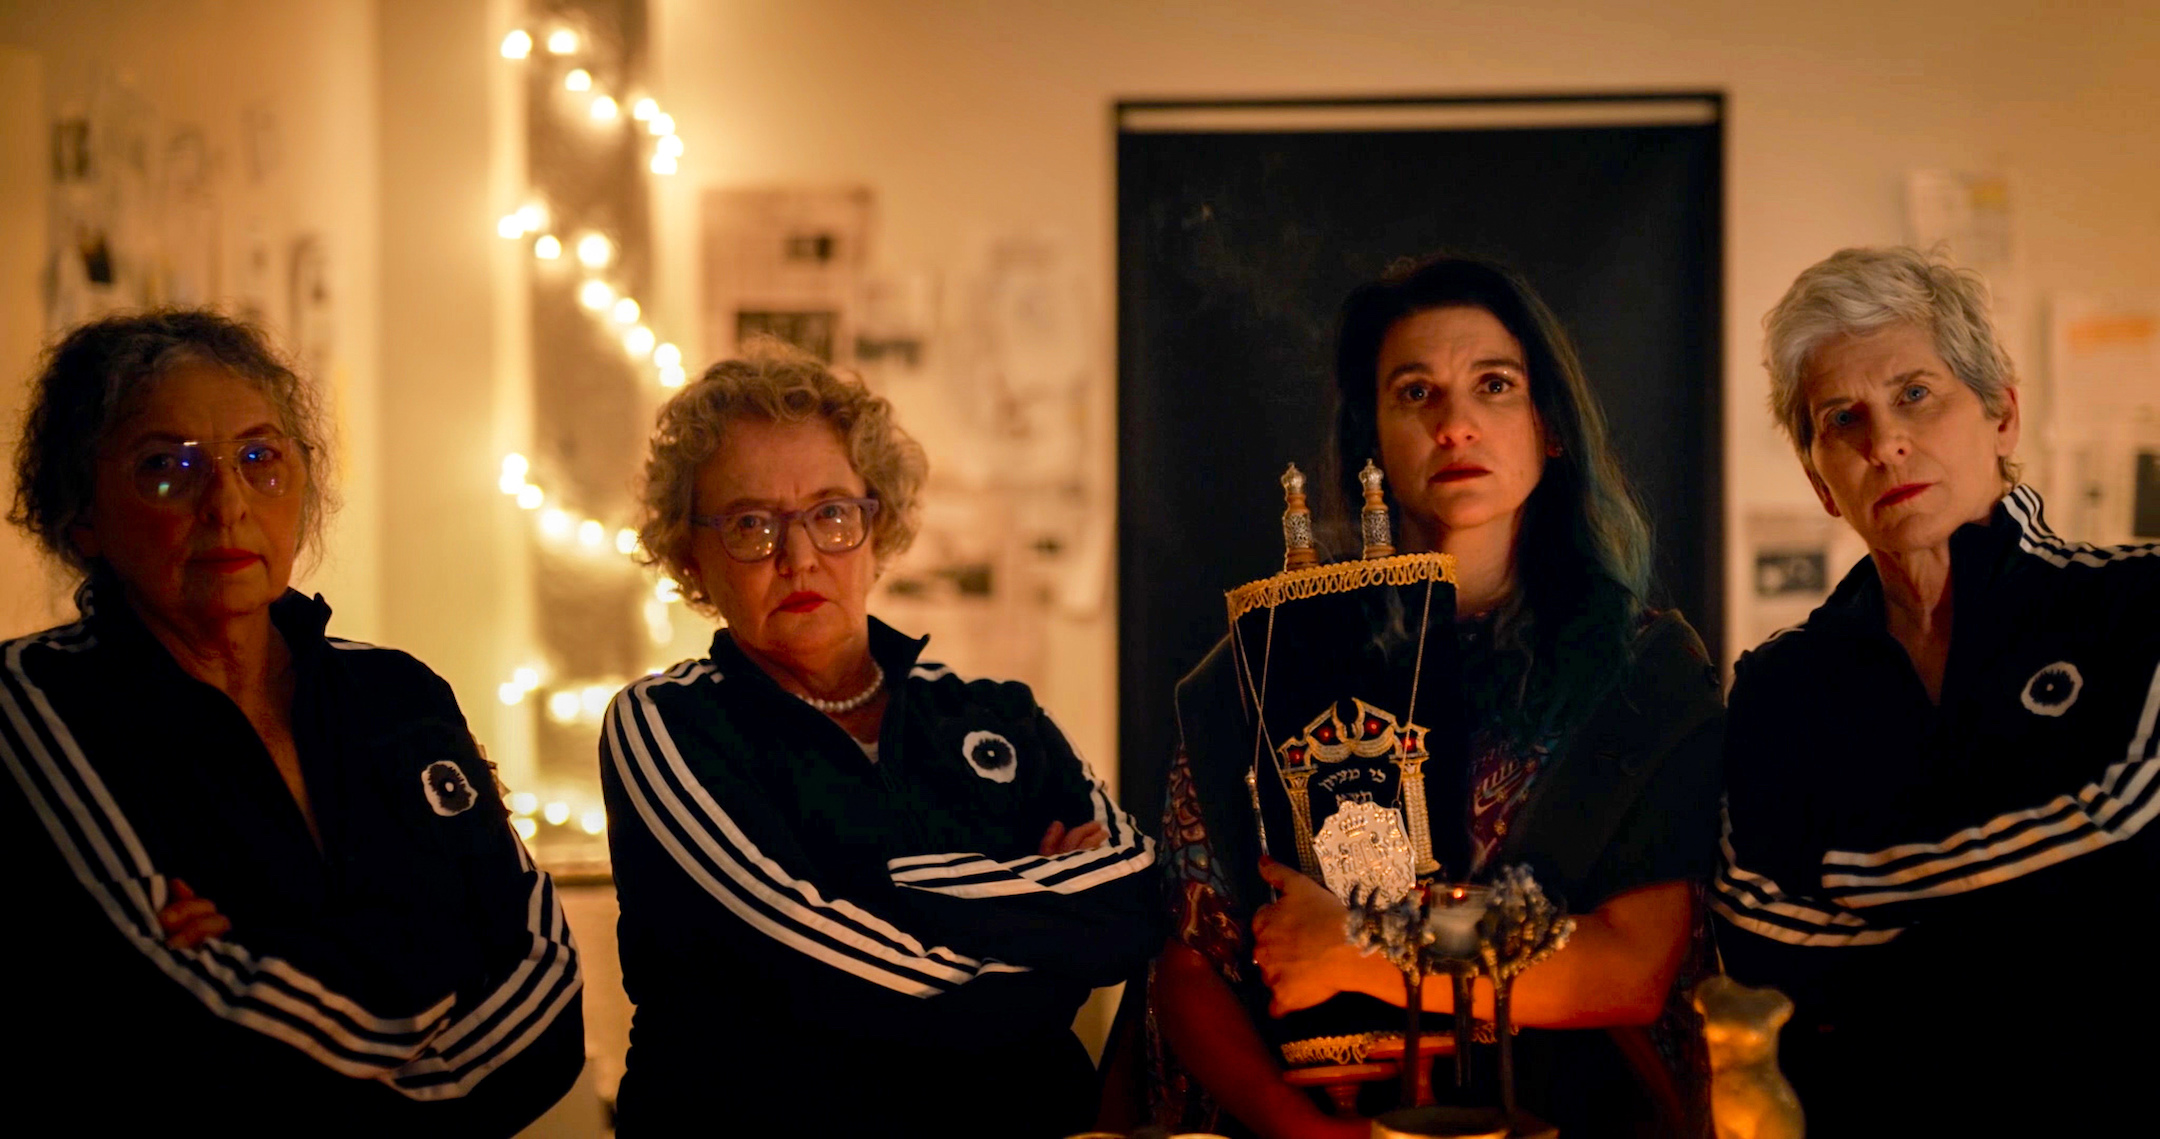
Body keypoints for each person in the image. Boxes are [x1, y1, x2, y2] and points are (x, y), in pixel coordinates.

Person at [1151, 256, 1725, 1138]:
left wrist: (1366, 947)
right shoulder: (1270, 656)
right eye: (1415, 393)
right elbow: (1190, 968)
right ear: (1372, 438)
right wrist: (1304, 1133)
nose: (1456, 424)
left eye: (1493, 385)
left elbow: (1630, 967)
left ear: (1550, 425)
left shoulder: (1643, 672)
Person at [0, 310, 584, 1135]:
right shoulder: (37, 704)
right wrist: (425, 941)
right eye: (167, 467)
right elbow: (188, 1032)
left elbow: (546, 987)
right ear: (81, 509)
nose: (228, 503)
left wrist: (269, 944)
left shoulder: (397, 693)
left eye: (259, 458)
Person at [600, 341, 1160, 1137]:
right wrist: (1038, 916)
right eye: (751, 524)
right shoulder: (666, 725)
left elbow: (1136, 900)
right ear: (693, 554)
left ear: (876, 521)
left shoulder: (994, 716)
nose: (799, 558)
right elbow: (822, 967)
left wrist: (884, 884)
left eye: (830, 512)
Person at [1714, 247, 2160, 1134]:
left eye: (1915, 393)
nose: (1884, 443)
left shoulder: (2139, 605)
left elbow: (2130, 834)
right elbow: (1763, 942)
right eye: (1843, 418)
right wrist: (2046, 924)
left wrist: (1846, 879)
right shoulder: (1777, 685)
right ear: (1821, 483)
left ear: (2001, 414)